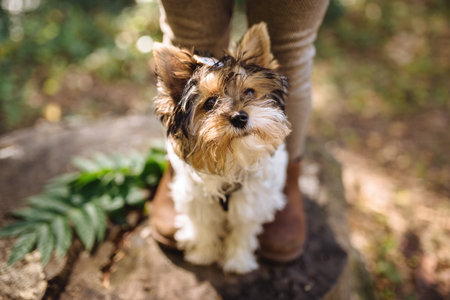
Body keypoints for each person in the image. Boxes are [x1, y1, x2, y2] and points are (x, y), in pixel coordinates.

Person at [151, 0, 329, 262]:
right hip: (198, 173)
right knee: (189, 33)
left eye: (249, 92)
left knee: (291, 46)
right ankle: (177, 171)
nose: (238, 113)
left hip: (265, 174)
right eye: (210, 104)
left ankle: (288, 178)